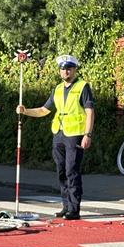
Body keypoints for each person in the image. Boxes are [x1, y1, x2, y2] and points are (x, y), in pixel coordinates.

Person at [16, 54, 95, 220]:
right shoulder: (58, 89)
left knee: (71, 171)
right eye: (63, 69)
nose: (66, 71)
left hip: (75, 135)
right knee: (61, 171)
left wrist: (87, 134)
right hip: (58, 134)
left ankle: (74, 209)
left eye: (69, 68)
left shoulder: (82, 87)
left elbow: (89, 112)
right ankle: (66, 206)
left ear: (74, 70)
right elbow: (44, 110)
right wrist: (26, 111)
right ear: (59, 71)